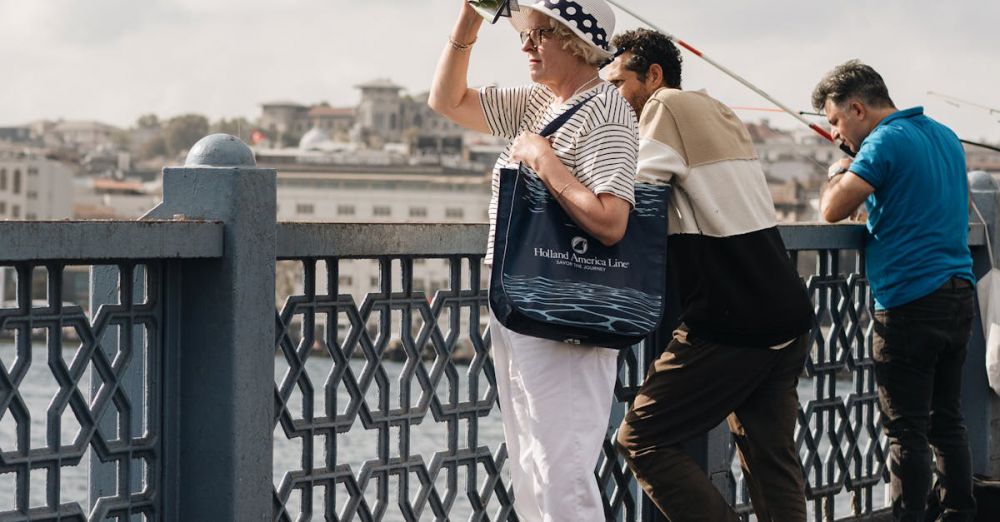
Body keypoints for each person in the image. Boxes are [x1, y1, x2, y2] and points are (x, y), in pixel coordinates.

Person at [428, 1, 639, 520]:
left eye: (537, 34)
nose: (525, 45)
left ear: (574, 40)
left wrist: (544, 160)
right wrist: (470, 18)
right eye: (522, 33)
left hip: (566, 309)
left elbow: (612, 220)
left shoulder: (607, 111)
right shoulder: (540, 102)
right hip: (525, 303)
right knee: (532, 462)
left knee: (560, 467)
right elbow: (447, 100)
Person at [606, 28, 814, 522]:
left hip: (733, 317)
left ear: (653, 76)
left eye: (617, 84)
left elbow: (635, 195)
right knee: (772, 464)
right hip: (786, 310)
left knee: (642, 438)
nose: (610, 97)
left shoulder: (664, 108)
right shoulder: (720, 113)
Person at [812, 60, 976, 521]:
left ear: (858, 109)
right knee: (948, 421)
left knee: (906, 430)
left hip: (908, 301)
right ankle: (960, 513)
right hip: (957, 292)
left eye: (836, 122)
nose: (837, 134)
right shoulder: (944, 134)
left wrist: (838, 169)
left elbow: (833, 210)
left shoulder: (884, 141)